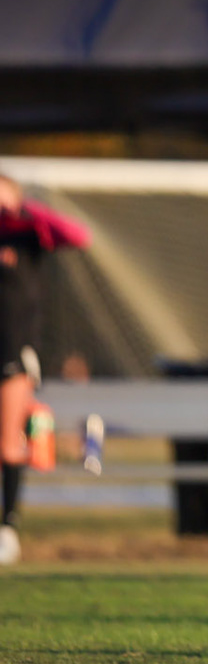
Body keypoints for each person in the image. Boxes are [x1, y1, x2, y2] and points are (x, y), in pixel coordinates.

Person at [0, 176, 90, 566]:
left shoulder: (27, 236)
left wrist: (25, 210)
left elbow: (75, 234)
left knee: (7, 443)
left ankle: (8, 528)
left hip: (13, 352)